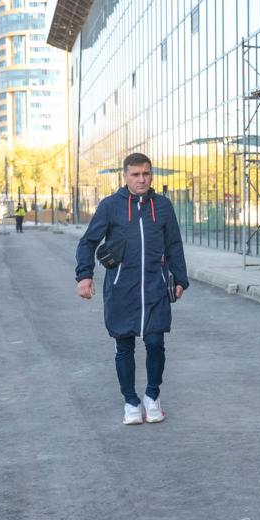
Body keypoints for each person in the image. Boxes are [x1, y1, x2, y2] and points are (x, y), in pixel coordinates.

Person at [75, 153, 188, 426]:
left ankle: (152, 396)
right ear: (125, 176)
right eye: (135, 174)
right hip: (121, 289)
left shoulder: (163, 206)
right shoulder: (110, 206)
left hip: (155, 287)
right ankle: (131, 402)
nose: (141, 179)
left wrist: (180, 279)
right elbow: (88, 242)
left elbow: (174, 244)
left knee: (155, 343)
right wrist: (84, 275)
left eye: (146, 174)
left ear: (151, 175)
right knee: (124, 346)